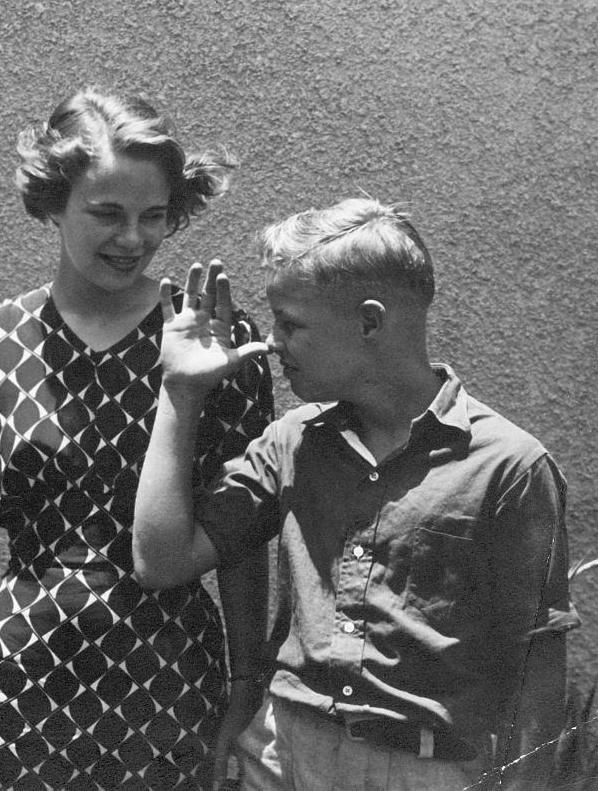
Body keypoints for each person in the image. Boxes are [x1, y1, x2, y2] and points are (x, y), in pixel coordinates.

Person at [132, 199, 577, 790]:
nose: (271, 343)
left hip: (428, 770)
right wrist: (181, 393)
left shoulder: (509, 466)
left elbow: (538, 663)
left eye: (290, 324)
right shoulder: (294, 442)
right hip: (283, 753)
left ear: (370, 323)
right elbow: (160, 561)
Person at [0, 89, 275, 790]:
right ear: (52, 205)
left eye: (154, 217)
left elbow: (244, 535)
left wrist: (243, 684)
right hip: (21, 683)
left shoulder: (216, 340)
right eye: (107, 214)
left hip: (172, 682)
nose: (133, 239)